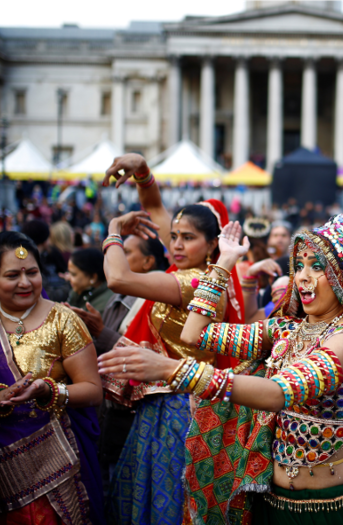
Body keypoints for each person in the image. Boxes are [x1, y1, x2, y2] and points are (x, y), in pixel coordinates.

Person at [97, 214, 343, 524]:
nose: (303, 277)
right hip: (268, 500)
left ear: (341, 275)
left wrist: (175, 371)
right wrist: (224, 262)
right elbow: (196, 334)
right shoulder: (286, 330)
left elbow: (279, 393)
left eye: (317, 267)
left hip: (325, 507)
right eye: (299, 266)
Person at [99, 153, 244, 525]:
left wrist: (115, 228)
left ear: (213, 245)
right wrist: (142, 170)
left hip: (182, 410)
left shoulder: (191, 282)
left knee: (169, 501)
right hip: (168, 403)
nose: (175, 245)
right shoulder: (197, 270)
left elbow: (117, 278)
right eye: (174, 237)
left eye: (187, 238)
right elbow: (155, 208)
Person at [0, 231, 104, 524]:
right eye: (13, 275)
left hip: (56, 460)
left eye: (32, 272)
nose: (25, 282)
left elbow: (93, 390)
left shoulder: (64, 319)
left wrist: (48, 390)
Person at [67, 233, 168, 496]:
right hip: (109, 414)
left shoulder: (157, 301)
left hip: (133, 417)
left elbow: (154, 361)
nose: (114, 258)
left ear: (147, 262)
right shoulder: (116, 295)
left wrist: (102, 332)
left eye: (126, 253)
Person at [66, 248, 114, 315]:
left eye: (73, 274)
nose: (68, 278)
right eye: (69, 273)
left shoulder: (103, 305)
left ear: (93, 277)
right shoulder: (81, 291)